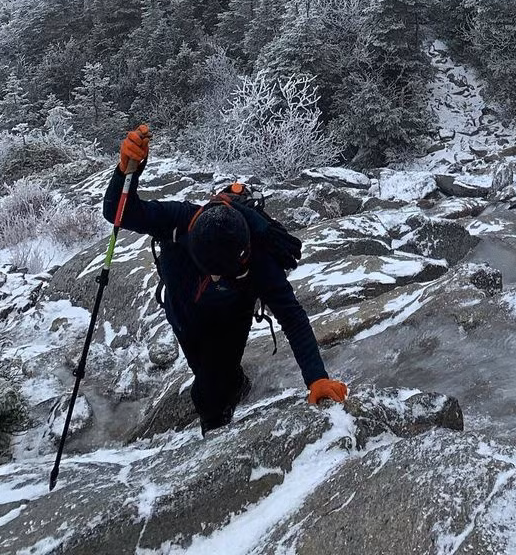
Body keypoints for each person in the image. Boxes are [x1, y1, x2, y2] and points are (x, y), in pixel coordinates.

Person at [105, 124, 348, 434]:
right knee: (206, 370)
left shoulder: (258, 255)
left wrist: (317, 378)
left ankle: (216, 426)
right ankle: (233, 385)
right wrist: (127, 169)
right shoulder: (179, 220)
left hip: (232, 317)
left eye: (237, 269)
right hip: (183, 312)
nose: (227, 275)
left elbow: (292, 316)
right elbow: (117, 211)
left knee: (208, 395)